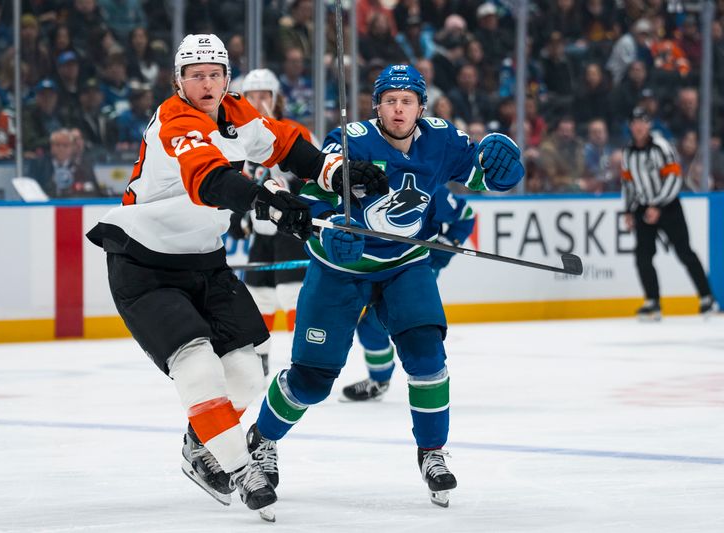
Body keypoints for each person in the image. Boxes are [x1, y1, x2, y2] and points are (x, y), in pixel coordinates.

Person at [85, 34, 388, 518]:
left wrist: (338, 172)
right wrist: (265, 200)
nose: (205, 84)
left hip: (204, 261)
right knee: (198, 366)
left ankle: (201, 443)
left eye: (213, 74)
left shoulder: (237, 111)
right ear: (178, 81)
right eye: (194, 75)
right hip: (142, 263)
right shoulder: (174, 119)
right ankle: (239, 468)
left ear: (227, 78)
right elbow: (208, 179)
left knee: (247, 375)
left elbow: (287, 146)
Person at [248, 64, 524, 508]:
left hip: (404, 263)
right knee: (312, 380)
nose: (398, 109)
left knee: (427, 356)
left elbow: (476, 175)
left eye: (407, 101)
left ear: (421, 106)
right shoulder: (350, 140)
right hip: (341, 267)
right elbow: (315, 203)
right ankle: (262, 438)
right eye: (390, 101)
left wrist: (501, 174)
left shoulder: (441, 138)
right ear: (377, 105)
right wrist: (326, 231)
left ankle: (432, 452)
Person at [341, 187, 475, 401]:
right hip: (375, 268)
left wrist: (445, 247)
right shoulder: (366, 183)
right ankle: (379, 380)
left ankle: (390, 380)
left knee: (377, 326)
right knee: (369, 329)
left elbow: (466, 215)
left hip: (412, 270)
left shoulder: (432, 188)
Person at [239, 67, 316, 377]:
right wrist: (239, 218)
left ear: (277, 98)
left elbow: (316, 174)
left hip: (288, 224)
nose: (258, 102)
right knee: (259, 295)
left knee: (291, 291)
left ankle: (306, 357)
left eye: (264, 96)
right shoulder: (235, 134)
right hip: (259, 227)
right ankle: (260, 358)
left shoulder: (294, 131)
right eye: (251, 96)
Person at [621, 107, 718, 321]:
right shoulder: (628, 152)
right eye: (634, 123)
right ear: (630, 127)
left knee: (684, 252)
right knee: (643, 256)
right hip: (643, 208)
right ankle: (653, 302)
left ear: (648, 125)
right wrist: (627, 210)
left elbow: (674, 178)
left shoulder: (662, 147)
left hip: (668, 207)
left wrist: (658, 205)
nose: (638, 126)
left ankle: (706, 297)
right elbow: (628, 183)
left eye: (642, 122)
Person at [29, 128, 101, 197]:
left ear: (72, 147)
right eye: (57, 145)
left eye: (65, 145)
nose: (61, 149)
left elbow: (93, 192)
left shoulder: (83, 167)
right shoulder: (39, 165)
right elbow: (31, 190)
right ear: (51, 147)